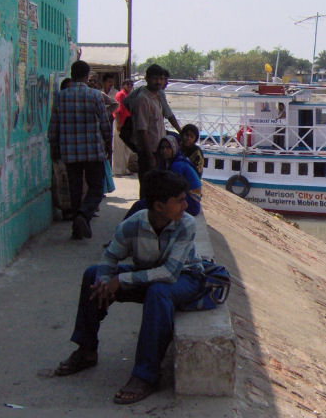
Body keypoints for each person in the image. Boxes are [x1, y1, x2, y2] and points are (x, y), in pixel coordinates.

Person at [53, 170, 204, 405]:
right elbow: (110, 257)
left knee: (158, 292)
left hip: (184, 278)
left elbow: (168, 274)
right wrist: (104, 283)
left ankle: (146, 375)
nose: (187, 205)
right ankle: (86, 350)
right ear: (159, 206)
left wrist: (120, 281)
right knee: (93, 274)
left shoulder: (186, 224)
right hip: (146, 275)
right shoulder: (132, 225)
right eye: (180, 200)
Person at [48, 60, 112, 239]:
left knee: (75, 189)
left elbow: (54, 124)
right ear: (87, 75)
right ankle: (83, 215)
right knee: (96, 188)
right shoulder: (95, 96)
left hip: (69, 151)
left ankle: (77, 229)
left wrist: (54, 146)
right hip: (93, 150)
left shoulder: (61, 96)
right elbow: (105, 124)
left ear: (72, 73)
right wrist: (107, 143)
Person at [125, 135, 202, 218]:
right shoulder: (168, 162)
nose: (164, 151)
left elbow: (173, 189)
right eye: (162, 148)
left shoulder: (177, 165)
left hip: (190, 203)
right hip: (181, 197)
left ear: (174, 148)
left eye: (168, 148)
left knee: (142, 205)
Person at [128, 64, 168, 198]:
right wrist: (150, 155)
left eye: (161, 79)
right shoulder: (143, 99)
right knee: (147, 188)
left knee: (155, 187)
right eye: (155, 78)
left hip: (158, 150)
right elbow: (142, 129)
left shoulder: (156, 97)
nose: (158, 82)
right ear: (146, 78)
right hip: (149, 152)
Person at [112, 79, 134, 176]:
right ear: (123, 85)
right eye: (127, 84)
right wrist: (118, 123)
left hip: (128, 123)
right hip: (120, 122)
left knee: (127, 148)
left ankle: (124, 168)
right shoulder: (120, 95)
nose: (129, 86)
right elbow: (117, 110)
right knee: (118, 147)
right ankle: (117, 170)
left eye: (131, 84)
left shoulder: (130, 95)